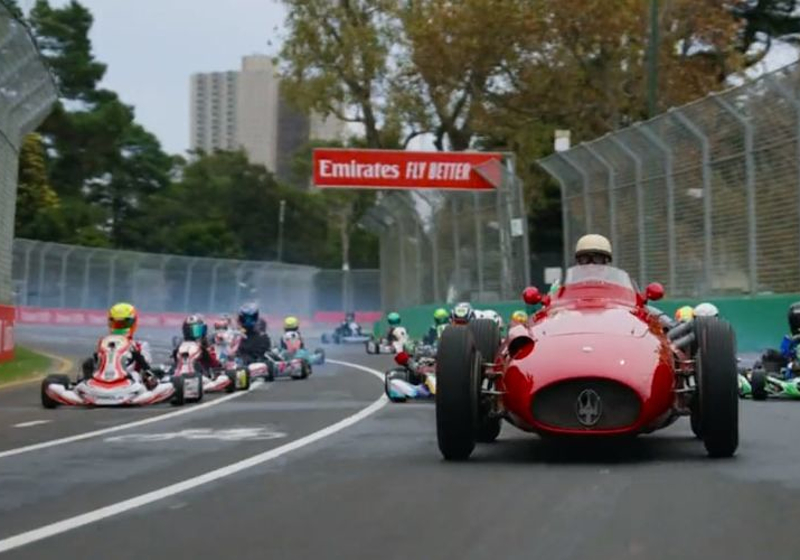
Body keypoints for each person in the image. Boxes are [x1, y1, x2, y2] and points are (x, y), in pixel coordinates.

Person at [82, 302, 157, 388]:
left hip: (130, 378)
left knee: (136, 375)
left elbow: (146, 366)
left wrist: (136, 355)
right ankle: (87, 383)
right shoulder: (104, 342)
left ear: (133, 323)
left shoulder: (140, 345)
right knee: (88, 362)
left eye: (124, 323)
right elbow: (98, 364)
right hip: (102, 377)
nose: (120, 326)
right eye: (116, 323)